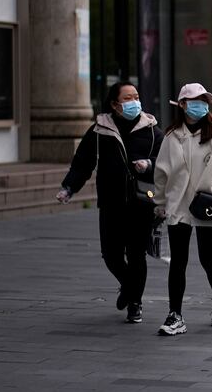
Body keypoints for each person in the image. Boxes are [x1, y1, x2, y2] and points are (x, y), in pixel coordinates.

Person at [58, 82, 163, 324]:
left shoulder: (151, 130)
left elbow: (166, 163)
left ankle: (135, 303)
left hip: (141, 204)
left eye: (136, 96)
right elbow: (83, 162)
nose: (134, 101)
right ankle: (129, 286)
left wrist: (149, 165)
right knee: (111, 255)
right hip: (111, 203)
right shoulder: (100, 130)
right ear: (115, 104)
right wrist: (69, 187)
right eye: (128, 98)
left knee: (137, 255)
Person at [153, 83, 212, 336]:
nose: (200, 105)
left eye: (204, 101)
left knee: (207, 258)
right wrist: (160, 204)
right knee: (178, 262)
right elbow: (161, 173)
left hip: (207, 205)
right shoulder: (171, 137)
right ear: (182, 105)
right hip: (178, 206)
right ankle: (175, 315)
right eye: (194, 101)